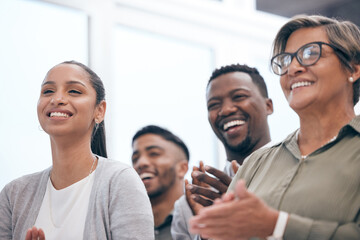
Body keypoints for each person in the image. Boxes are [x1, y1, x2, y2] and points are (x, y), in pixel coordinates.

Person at [189, 15, 360, 240]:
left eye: (310, 53)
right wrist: (210, 230)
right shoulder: (256, 163)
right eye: (286, 60)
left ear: (353, 70)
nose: (293, 68)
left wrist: (276, 225)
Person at [0, 60, 154, 239]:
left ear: (100, 111)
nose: (57, 99)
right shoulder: (14, 194)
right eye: (48, 91)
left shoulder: (120, 182)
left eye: (74, 91)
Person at [171, 64, 274, 239]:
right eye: (214, 105)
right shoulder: (192, 202)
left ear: (268, 106)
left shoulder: (300, 173)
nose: (226, 110)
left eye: (239, 97)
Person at [132, 125, 189, 240]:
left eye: (154, 154)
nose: (141, 163)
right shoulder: (123, 226)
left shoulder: (201, 223)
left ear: (182, 169)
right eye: (135, 159)